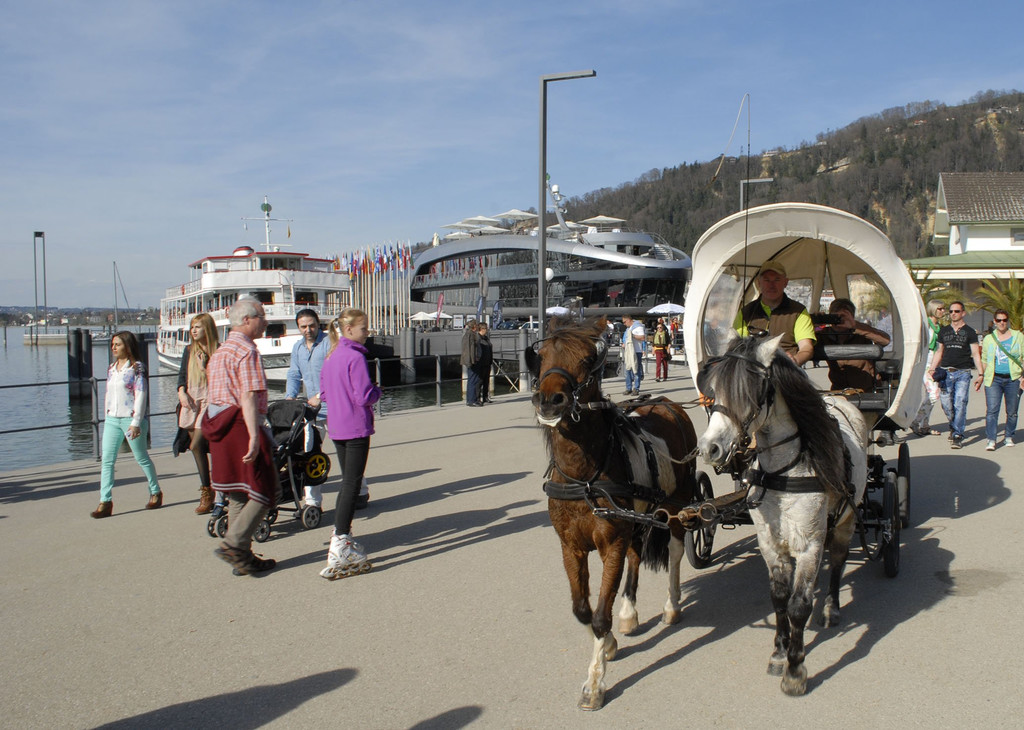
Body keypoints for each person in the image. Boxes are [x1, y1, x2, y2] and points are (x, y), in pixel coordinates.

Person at [204, 298, 277, 575]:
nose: (265, 322)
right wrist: (255, 437)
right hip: (240, 425)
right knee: (266, 488)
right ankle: (235, 543)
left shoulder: (220, 352)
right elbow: (247, 395)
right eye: (261, 316)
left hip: (217, 423)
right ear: (247, 320)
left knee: (237, 492)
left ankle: (242, 559)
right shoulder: (247, 351)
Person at [318, 309, 381, 580]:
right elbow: (364, 394)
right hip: (355, 425)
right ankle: (341, 539)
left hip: (337, 424)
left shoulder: (331, 355)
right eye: (364, 328)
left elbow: (322, 391)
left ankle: (342, 536)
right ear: (350, 330)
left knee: (348, 481)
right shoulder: (355, 357)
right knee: (352, 483)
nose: (367, 333)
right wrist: (377, 391)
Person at [90, 331, 162, 518]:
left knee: (141, 458)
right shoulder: (112, 368)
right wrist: (106, 415)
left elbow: (141, 395)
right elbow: (108, 394)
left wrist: (136, 422)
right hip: (112, 420)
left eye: (118, 344)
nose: (113, 347)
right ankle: (105, 501)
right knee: (107, 460)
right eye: (113, 344)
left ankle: (155, 491)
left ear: (127, 346)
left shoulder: (137, 368)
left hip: (131, 420)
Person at [285, 308, 330, 508]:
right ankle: (313, 501)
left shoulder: (329, 343)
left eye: (312, 325)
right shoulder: (298, 348)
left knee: (345, 450)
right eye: (303, 326)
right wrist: (290, 396)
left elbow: (336, 374)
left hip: (333, 405)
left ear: (318, 324)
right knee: (311, 452)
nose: (308, 330)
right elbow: (294, 374)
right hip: (312, 410)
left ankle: (360, 489)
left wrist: (320, 395)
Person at [734, 260, 815, 366]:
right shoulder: (745, 312)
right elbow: (736, 346)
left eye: (777, 280)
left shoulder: (799, 312)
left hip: (786, 370)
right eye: (767, 280)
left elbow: (806, 347)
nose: (771, 285)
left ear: (785, 282)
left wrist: (795, 360)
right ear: (759, 283)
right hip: (753, 369)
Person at [176, 313, 219, 514]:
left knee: (196, 445)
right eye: (192, 327)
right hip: (191, 400)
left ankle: (207, 491)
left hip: (209, 400)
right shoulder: (188, 350)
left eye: (198, 327)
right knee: (199, 449)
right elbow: (182, 376)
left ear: (207, 329)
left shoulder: (218, 351)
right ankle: (208, 488)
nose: (193, 331)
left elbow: (219, 380)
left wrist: (204, 367)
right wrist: (181, 391)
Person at [930, 301, 984, 449]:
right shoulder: (944, 331)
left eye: (957, 311)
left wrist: (980, 374)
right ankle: (954, 425)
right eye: (951, 311)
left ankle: (957, 434)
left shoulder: (970, 332)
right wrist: (932, 368)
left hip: (963, 373)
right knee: (946, 404)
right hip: (945, 372)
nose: (953, 313)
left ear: (963, 313)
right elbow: (939, 351)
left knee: (960, 402)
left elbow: (975, 354)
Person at [817, 298, 891, 391]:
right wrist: (815, 324)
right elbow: (803, 346)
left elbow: (885, 340)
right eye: (835, 317)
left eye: (843, 317)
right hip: (839, 389)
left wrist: (855, 326)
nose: (839, 321)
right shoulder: (824, 335)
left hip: (867, 388)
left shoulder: (861, 333)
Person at [979, 309, 1024, 451]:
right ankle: (991, 439)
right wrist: (981, 376)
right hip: (994, 379)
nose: (1002, 323)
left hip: (1014, 378)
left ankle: (1008, 436)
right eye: (999, 320)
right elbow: (984, 359)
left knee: (1012, 411)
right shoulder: (988, 339)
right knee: (992, 410)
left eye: (1004, 320)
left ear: (1008, 321)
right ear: (994, 321)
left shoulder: (1018, 336)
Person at [909, 300, 946, 436]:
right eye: (940, 309)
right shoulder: (925, 325)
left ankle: (925, 424)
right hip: (924, 361)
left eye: (944, 309)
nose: (943, 311)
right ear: (933, 309)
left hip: (935, 362)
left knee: (932, 395)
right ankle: (915, 421)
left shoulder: (939, 327)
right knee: (933, 394)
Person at [621, 314, 646, 395]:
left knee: (636, 370)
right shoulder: (629, 328)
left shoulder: (638, 326)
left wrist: (633, 336)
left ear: (628, 320)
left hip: (637, 351)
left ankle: (636, 388)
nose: (624, 324)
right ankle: (628, 388)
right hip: (629, 351)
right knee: (627, 370)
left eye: (624, 322)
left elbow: (642, 338)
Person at [461, 318, 481, 407]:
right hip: (472, 361)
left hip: (474, 360)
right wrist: (470, 361)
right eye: (476, 325)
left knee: (474, 379)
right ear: (474, 326)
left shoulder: (472, 334)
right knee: (472, 380)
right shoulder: (469, 335)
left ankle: (473, 399)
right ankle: (471, 400)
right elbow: (468, 349)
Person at [474, 322, 494, 403]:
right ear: (481, 329)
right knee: (480, 381)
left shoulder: (486, 338)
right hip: (481, 363)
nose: (486, 330)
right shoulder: (478, 338)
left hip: (487, 362)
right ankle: (478, 398)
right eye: (485, 329)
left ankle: (485, 397)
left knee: (486, 381)